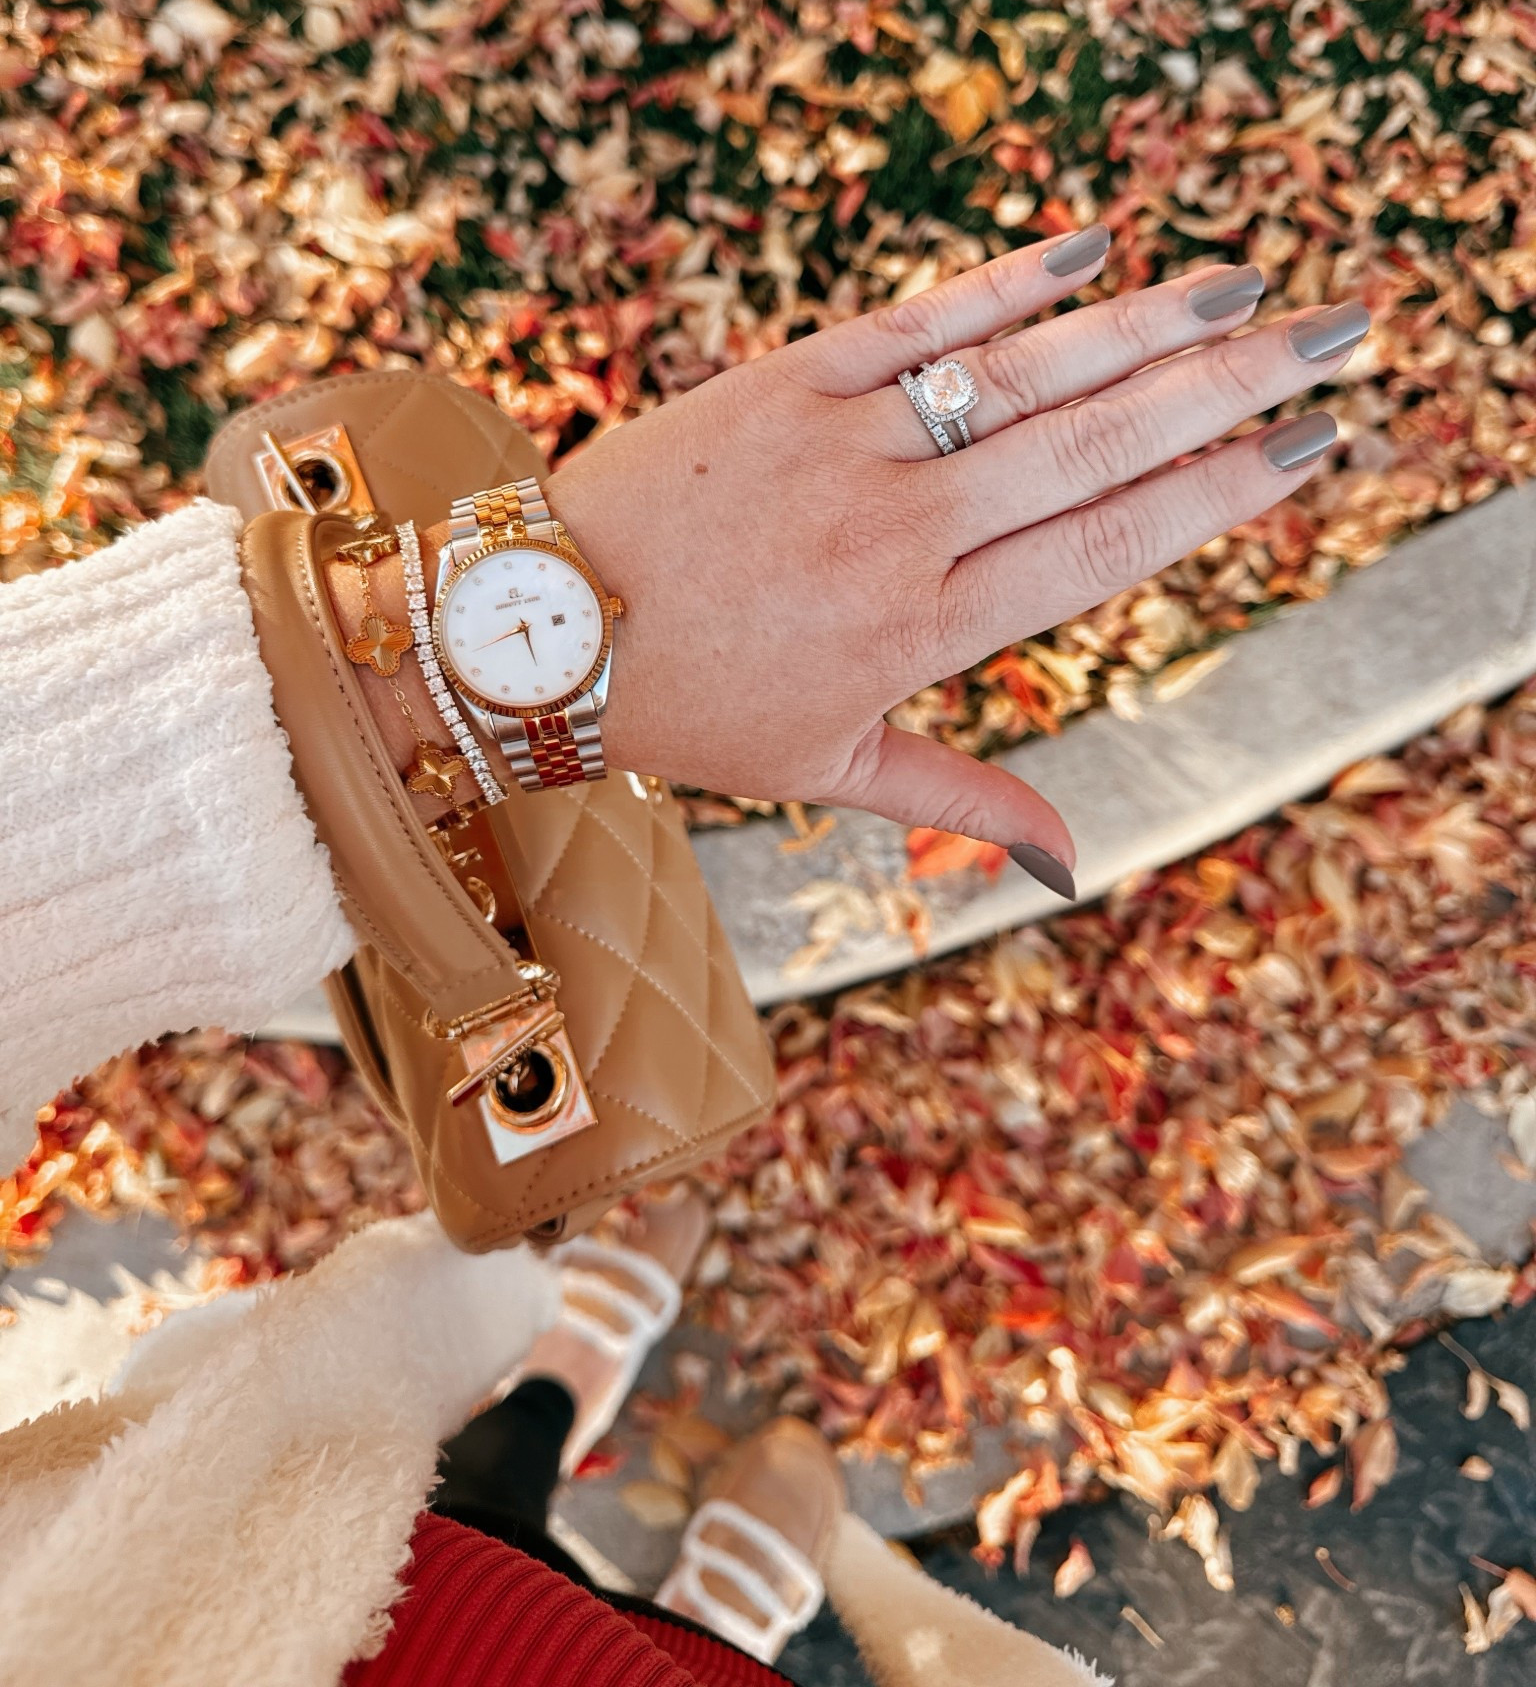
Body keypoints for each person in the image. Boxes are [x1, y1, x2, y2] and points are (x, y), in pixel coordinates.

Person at [0, 231, 1369, 1684]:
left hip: (245, 1578)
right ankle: (708, 1595)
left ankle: (553, 1394)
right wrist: (433, 672)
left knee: (466, 1513)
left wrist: (414, 667)